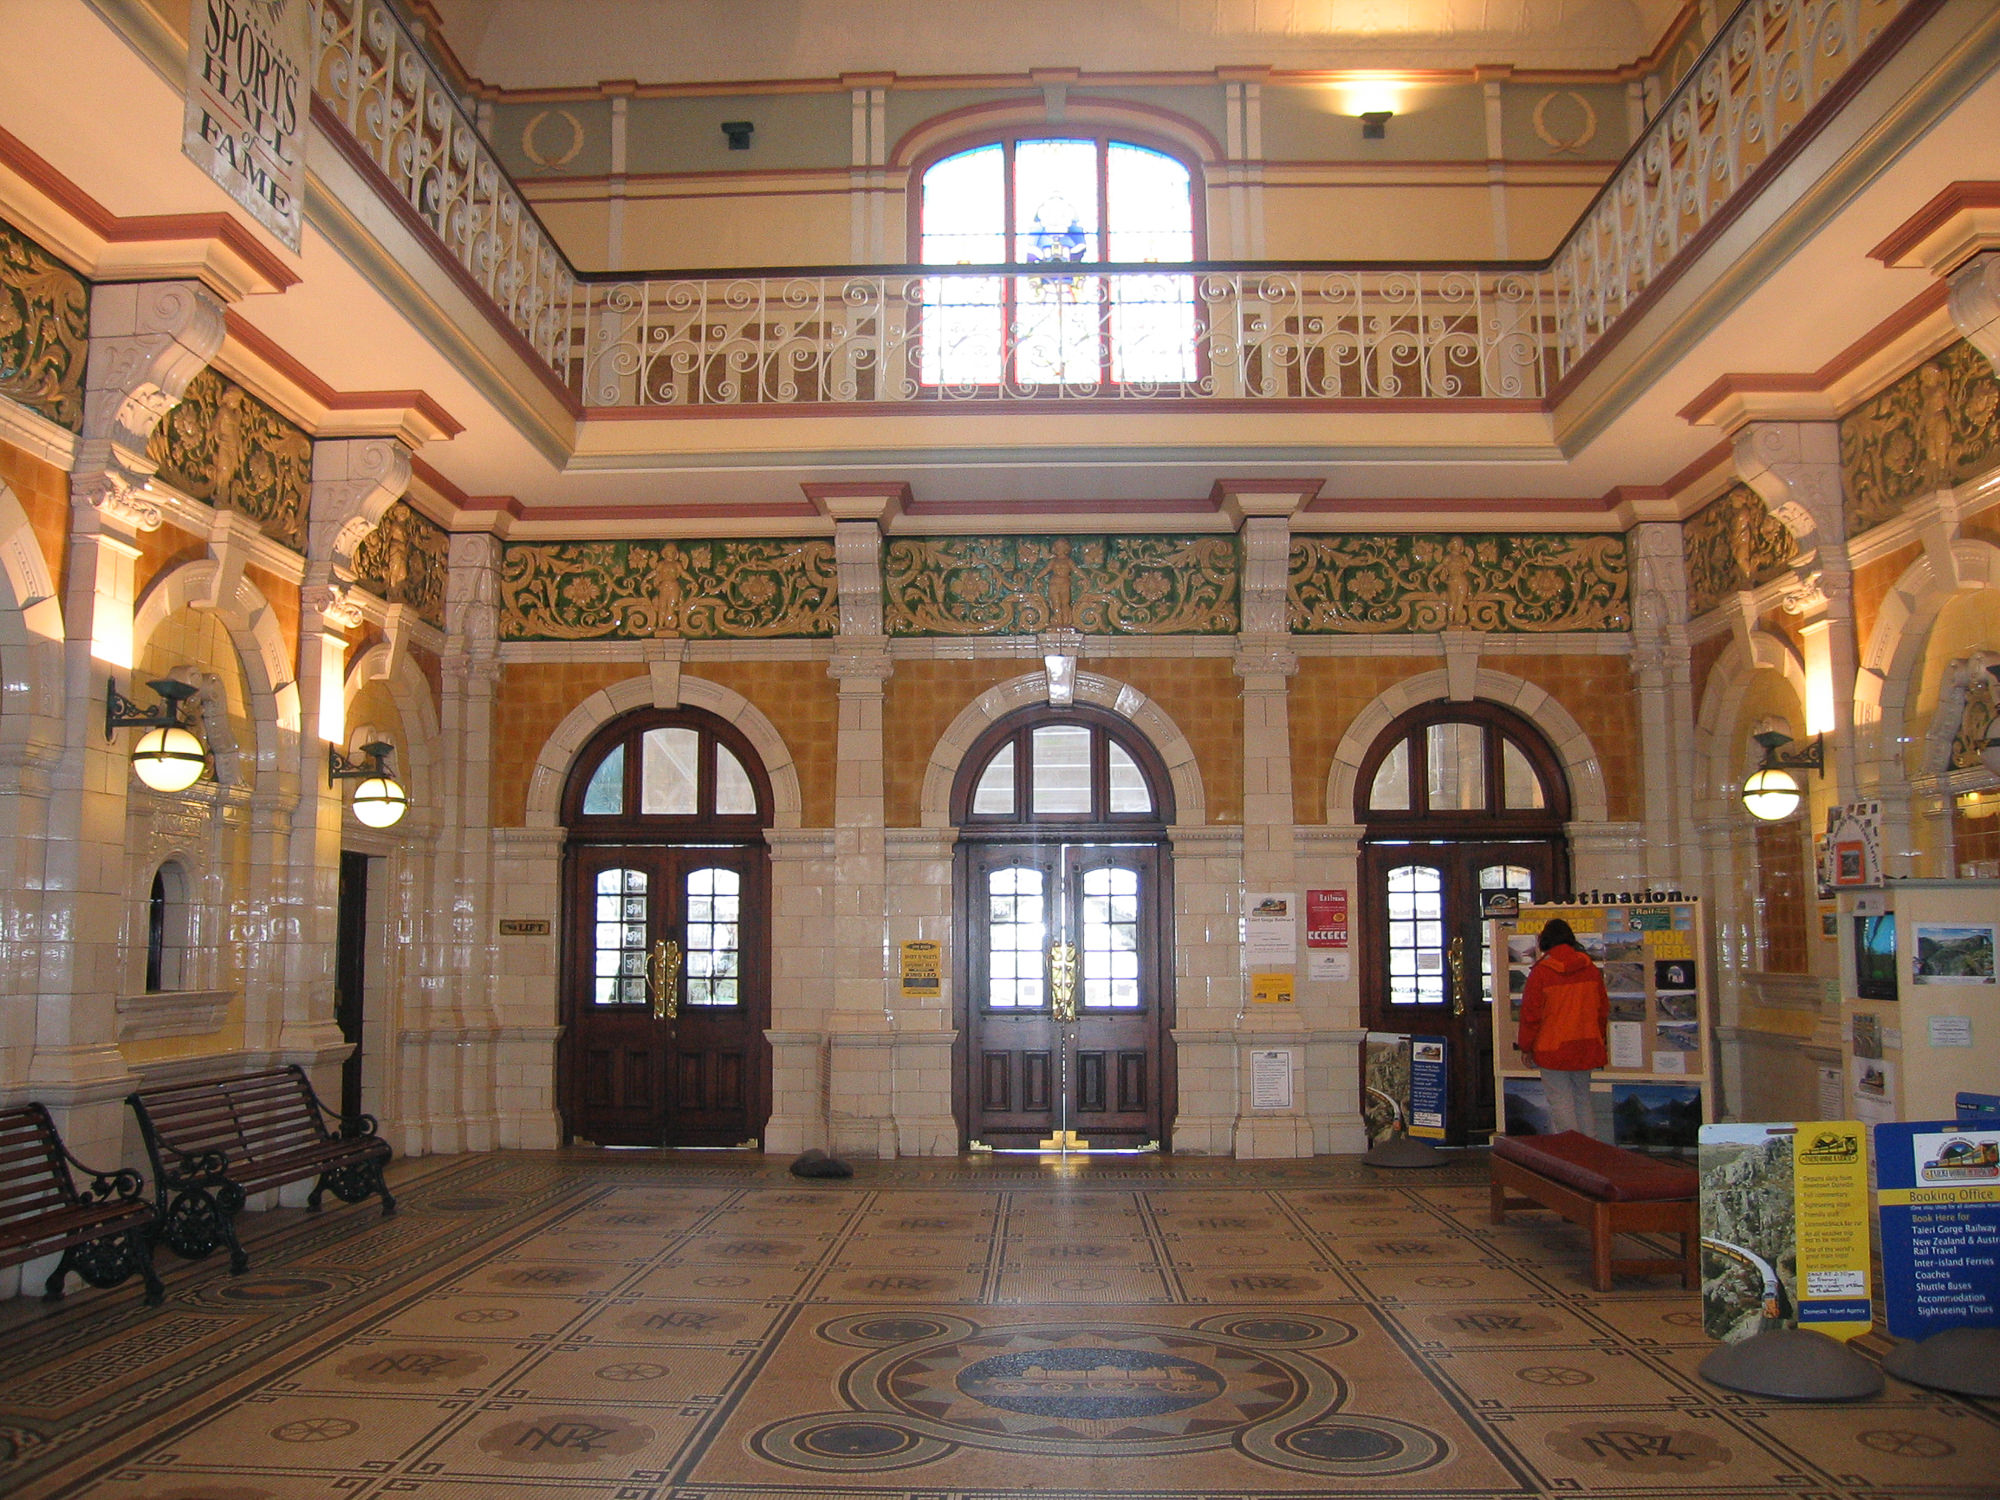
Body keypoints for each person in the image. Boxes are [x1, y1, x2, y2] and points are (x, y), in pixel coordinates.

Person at [1515, 918, 1609, 1139]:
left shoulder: (1541, 973)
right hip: (1586, 1045)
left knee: (1560, 1102)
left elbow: (1530, 1016)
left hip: (1552, 1048)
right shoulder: (1590, 969)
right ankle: (1589, 1154)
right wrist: (1599, 1039)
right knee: (1582, 1099)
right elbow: (1602, 1011)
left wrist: (1526, 1047)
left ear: (1544, 941)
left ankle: (1571, 1155)